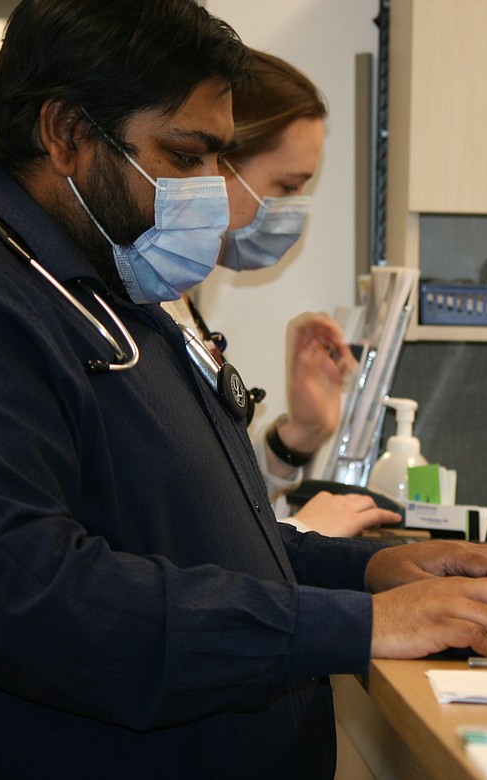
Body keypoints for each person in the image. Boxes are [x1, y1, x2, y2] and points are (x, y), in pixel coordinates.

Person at [0, 1, 487, 778]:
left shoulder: (103, 287)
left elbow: (180, 537)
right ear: (67, 133)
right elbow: (29, 600)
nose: (216, 193)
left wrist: (366, 571)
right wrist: (352, 626)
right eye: (185, 157)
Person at [164, 50, 395, 537]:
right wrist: (303, 532)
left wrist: (300, 434)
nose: (291, 212)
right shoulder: (144, 297)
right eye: (286, 187)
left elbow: (217, 491)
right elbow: (182, 536)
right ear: (217, 164)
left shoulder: (181, 294)